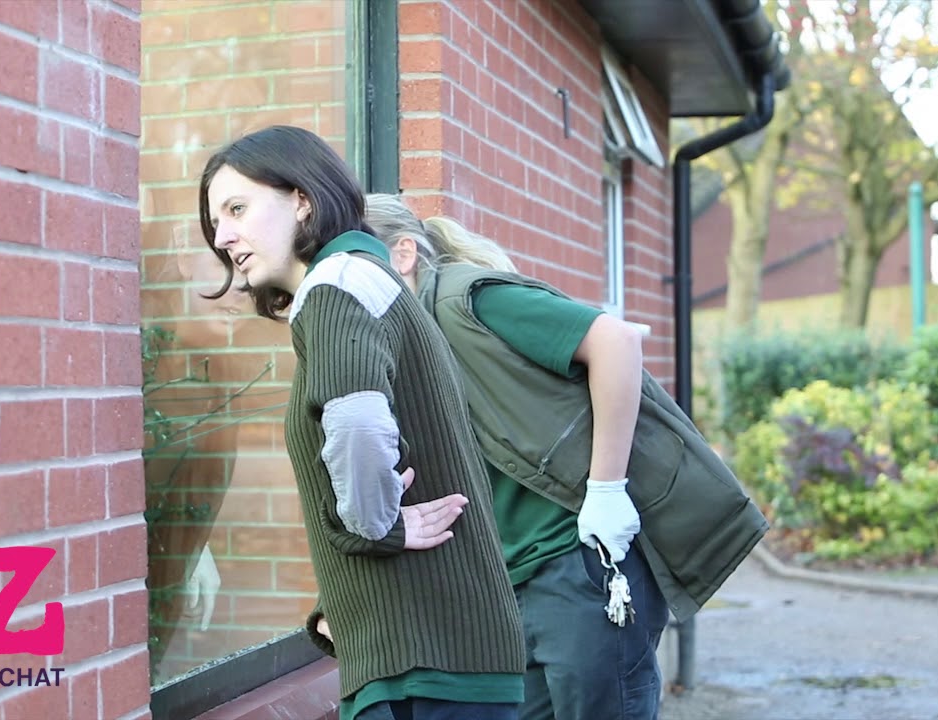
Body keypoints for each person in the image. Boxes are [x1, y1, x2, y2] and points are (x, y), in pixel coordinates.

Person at [363, 194, 769, 720]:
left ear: (403, 255)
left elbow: (616, 342)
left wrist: (606, 492)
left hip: (577, 563)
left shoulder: (464, 299)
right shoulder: (397, 347)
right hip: (510, 586)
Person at [198, 127, 525, 720]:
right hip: (433, 657)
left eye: (237, 208)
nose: (222, 236)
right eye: (217, 219)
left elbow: (356, 424)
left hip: (421, 669)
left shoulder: (337, 286)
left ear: (302, 199)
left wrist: (375, 529)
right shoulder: (363, 281)